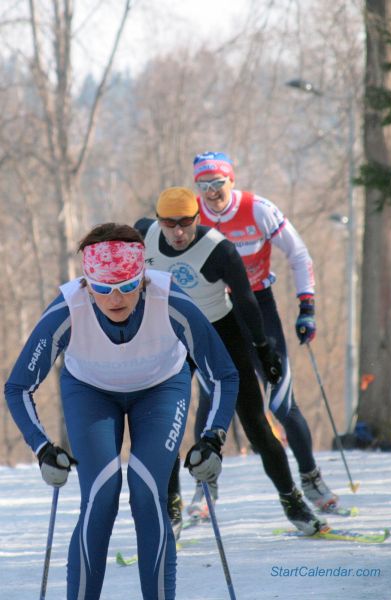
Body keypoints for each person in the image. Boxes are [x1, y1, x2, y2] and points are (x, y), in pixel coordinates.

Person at [4, 223, 239, 600]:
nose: (116, 298)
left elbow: (224, 373)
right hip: (91, 393)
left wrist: (214, 437)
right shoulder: (67, 308)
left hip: (161, 390)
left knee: (147, 494)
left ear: (142, 278)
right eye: (102, 288)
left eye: (128, 286)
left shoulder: (171, 301)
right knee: (101, 495)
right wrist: (41, 448)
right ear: (86, 283)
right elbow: (17, 387)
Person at [135, 187, 326, 537]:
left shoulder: (219, 249)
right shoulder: (143, 234)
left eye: (186, 223)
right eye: (169, 224)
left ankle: (293, 502)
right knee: (162, 425)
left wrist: (264, 350)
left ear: (197, 218)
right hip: (170, 334)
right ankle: (170, 510)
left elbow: (246, 302)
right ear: (158, 220)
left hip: (219, 332)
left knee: (255, 423)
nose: (178, 232)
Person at [193, 151, 339, 511]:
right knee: (211, 399)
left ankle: (311, 479)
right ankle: (205, 487)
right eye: (204, 185)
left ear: (232, 180)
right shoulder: (191, 215)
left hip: (257, 308)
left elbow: (299, 253)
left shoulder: (257, 208)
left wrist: (307, 307)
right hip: (214, 311)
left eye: (218, 183)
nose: (212, 192)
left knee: (281, 401)